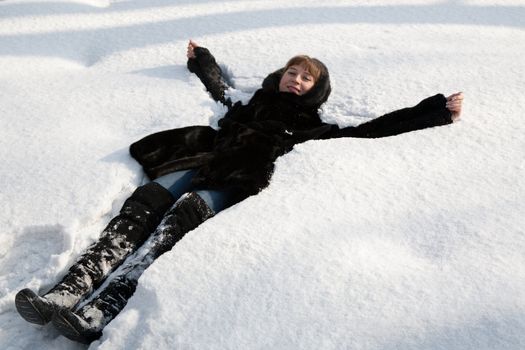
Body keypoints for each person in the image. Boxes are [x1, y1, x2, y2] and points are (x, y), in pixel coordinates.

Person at [15, 40, 464, 344]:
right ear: (279, 75)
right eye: (292, 72)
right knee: (140, 209)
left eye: (307, 78)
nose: (296, 80)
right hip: (203, 160)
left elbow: (371, 131)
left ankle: (100, 311)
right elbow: (219, 87)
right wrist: (202, 59)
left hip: (235, 182)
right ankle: (66, 292)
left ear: (316, 90)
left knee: (174, 224)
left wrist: (433, 112)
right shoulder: (250, 104)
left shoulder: (315, 127)